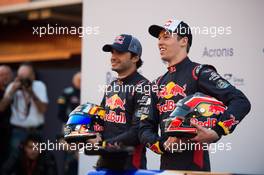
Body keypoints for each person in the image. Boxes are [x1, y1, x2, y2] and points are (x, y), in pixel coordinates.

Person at [139, 19, 251, 171]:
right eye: (159, 38)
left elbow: (240, 102)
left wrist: (217, 131)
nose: (159, 42)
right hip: (166, 168)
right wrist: (162, 145)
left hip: (196, 168)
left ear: (184, 41)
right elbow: (144, 127)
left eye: (166, 37)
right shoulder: (156, 84)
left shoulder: (199, 72)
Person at [87, 34, 150, 170]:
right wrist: (94, 134)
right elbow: (100, 118)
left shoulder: (143, 86)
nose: (113, 57)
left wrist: (104, 143)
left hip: (129, 165)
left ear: (135, 57)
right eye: (112, 52)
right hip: (105, 161)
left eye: (120, 52)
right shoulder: (112, 85)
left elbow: (138, 131)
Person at [1, 62, 48, 152]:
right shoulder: (12, 86)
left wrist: (31, 92)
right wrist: (12, 91)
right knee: (15, 158)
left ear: (33, 76)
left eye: (26, 76)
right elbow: (1, 108)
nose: (24, 80)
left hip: (35, 131)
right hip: (18, 131)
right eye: (21, 76)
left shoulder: (39, 86)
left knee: (36, 158)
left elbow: (43, 109)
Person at [57, 71, 81, 175]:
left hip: (87, 130)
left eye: (82, 80)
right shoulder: (67, 93)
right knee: (70, 155)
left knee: (81, 156)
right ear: (74, 81)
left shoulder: (89, 90)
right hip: (69, 128)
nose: (80, 82)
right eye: (78, 80)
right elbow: (60, 114)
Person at [0, 65, 13, 167]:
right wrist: (10, 92)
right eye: (1, 75)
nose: (4, 77)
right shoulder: (11, 91)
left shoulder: (20, 88)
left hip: (14, 131)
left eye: (7, 74)